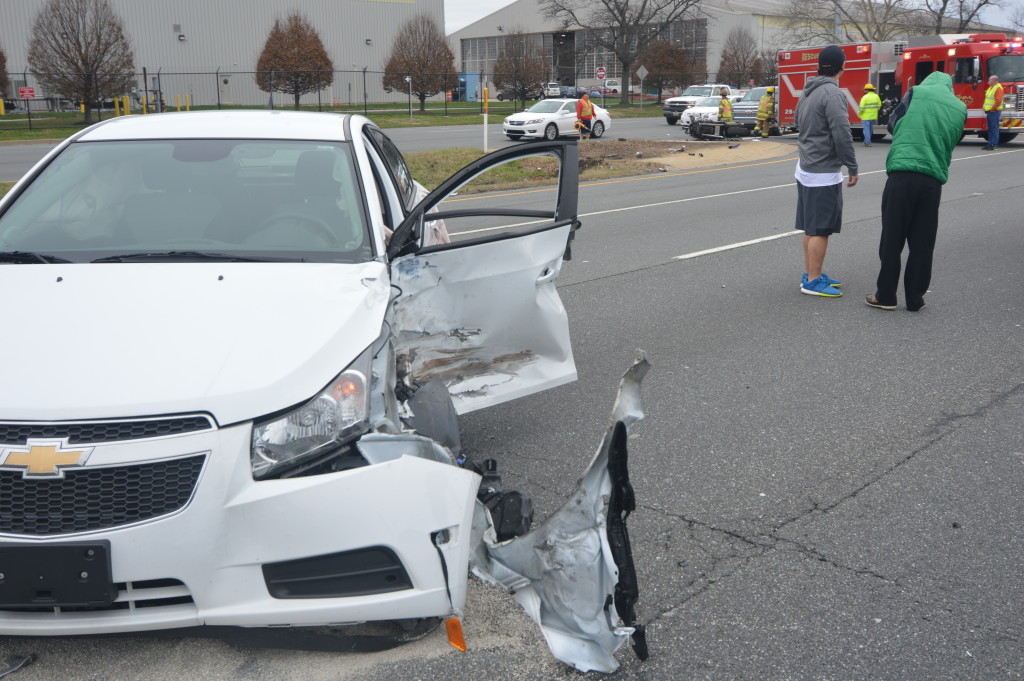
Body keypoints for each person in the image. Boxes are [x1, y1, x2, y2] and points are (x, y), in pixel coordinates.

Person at [865, 71, 966, 312]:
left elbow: (893, 122)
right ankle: (915, 298)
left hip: (902, 172)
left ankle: (886, 295)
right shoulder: (959, 107)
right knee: (923, 241)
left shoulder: (916, 92)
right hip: (932, 179)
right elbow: (955, 137)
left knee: (892, 237)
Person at [794, 45, 858, 297]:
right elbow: (842, 133)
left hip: (806, 166)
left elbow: (799, 123)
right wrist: (852, 165)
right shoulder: (832, 94)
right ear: (841, 66)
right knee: (821, 228)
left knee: (811, 226)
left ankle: (812, 273)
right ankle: (812, 281)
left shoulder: (808, 91)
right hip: (822, 171)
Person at [982, 74, 1004, 150]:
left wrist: (993, 108)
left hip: (994, 111)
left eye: (990, 80)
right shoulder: (991, 88)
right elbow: (988, 99)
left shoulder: (998, 88)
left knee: (994, 128)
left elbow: (998, 100)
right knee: (990, 128)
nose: (988, 81)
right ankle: (990, 144)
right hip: (990, 111)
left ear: (994, 81)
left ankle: (994, 145)